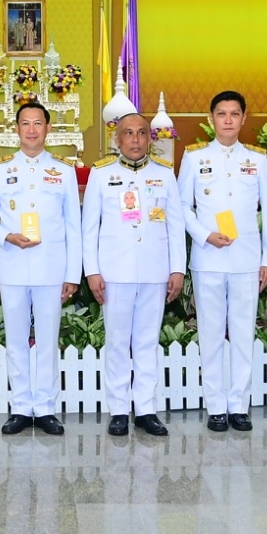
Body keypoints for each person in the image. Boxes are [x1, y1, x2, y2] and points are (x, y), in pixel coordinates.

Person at [0, 101, 81, 436]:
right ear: (16, 129)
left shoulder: (63, 170)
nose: (32, 129)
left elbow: (73, 226)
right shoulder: (0, 170)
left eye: (38, 123)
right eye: (25, 123)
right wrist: (6, 236)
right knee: (17, 339)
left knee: (47, 340)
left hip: (51, 268)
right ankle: (20, 406)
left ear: (48, 128)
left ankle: (45, 408)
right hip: (14, 265)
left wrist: (72, 274)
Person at [176, 90, 267, 433]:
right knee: (210, 333)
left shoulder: (257, 159)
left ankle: (239, 405)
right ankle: (216, 406)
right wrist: (204, 235)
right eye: (222, 114)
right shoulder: (194, 157)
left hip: (246, 260)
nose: (228, 120)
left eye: (235, 114)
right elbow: (181, 207)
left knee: (243, 332)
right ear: (211, 119)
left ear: (244, 118)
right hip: (209, 258)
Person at [82, 113, 185, 437]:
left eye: (142, 133)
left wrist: (177, 269)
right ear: (118, 139)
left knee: (146, 342)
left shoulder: (164, 174)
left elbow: (176, 226)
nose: (136, 139)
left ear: (150, 138)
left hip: (155, 271)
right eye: (129, 133)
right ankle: (118, 410)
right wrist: (92, 271)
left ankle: (145, 409)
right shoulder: (102, 174)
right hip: (115, 272)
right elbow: (89, 228)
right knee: (117, 342)